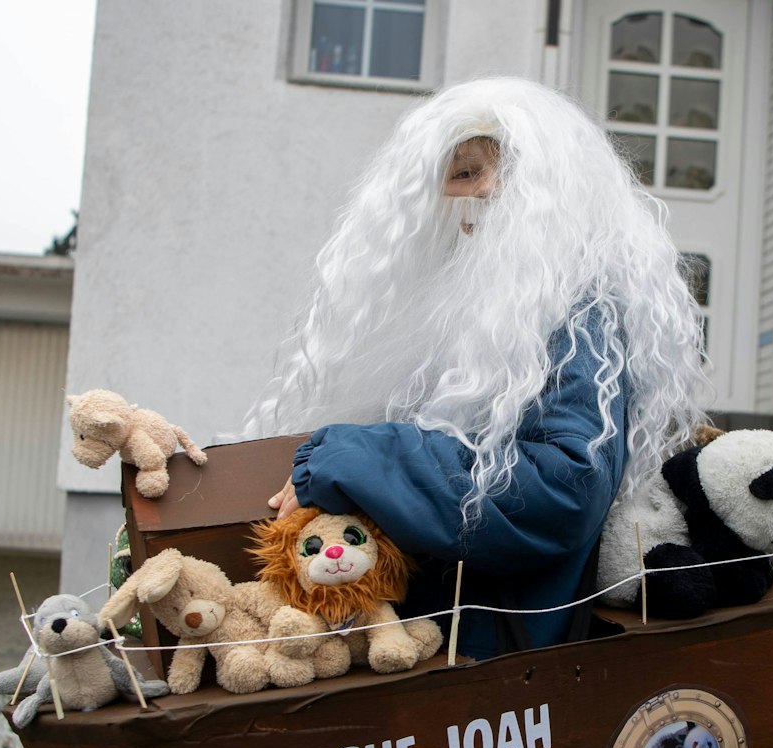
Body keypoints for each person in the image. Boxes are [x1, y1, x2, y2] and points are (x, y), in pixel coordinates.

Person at [246, 77, 709, 658]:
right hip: (424, 639)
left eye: (506, 170)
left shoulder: (578, 314)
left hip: (497, 658)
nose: (484, 189)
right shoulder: (444, 303)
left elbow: (563, 490)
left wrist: (351, 458)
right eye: (463, 173)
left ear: (554, 185)